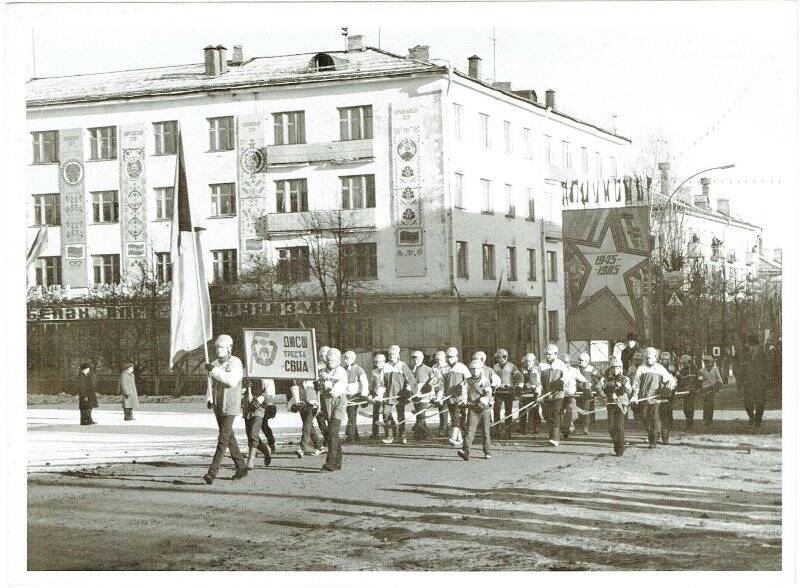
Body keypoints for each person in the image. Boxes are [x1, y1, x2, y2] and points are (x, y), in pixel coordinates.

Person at [203, 334, 248, 485]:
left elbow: (232, 380)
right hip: (218, 404)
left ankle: (212, 472)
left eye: (221, 347)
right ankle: (241, 466)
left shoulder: (235, 362)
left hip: (230, 405)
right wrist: (209, 398)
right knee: (229, 437)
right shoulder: (214, 363)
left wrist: (214, 370)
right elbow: (210, 384)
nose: (218, 350)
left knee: (222, 439)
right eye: (216, 347)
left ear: (229, 347)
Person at [630, 347, 676, 449]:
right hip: (644, 399)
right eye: (647, 357)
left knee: (655, 419)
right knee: (645, 419)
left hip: (656, 399)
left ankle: (653, 440)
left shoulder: (659, 368)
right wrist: (634, 396)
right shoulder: (641, 368)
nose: (648, 359)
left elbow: (671, 380)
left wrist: (668, 387)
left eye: (651, 357)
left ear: (655, 357)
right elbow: (636, 385)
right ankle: (654, 434)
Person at [317, 348, 348, 471]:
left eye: (333, 360)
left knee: (333, 432)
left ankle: (330, 462)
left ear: (338, 360)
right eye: (329, 360)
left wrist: (324, 386)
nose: (331, 362)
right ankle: (338, 462)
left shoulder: (341, 372)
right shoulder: (322, 372)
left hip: (338, 401)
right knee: (332, 434)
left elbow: (337, 390)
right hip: (326, 402)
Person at [457, 359, 494, 461]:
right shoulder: (467, 381)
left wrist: (483, 401)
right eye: (472, 369)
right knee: (470, 431)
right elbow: (463, 393)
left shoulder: (485, 380)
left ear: (481, 369)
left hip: (484, 409)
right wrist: (462, 401)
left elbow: (488, 393)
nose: (475, 371)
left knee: (486, 432)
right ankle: (465, 451)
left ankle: (487, 451)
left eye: (477, 369)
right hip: (473, 409)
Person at [381, 345, 416, 444]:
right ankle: (389, 435)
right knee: (385, 413)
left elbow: (410, 379)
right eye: (390, 354)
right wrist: (380, 394)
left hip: (400, 395)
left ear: (398, 355)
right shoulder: (385, 366)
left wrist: (407, 390)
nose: (391, 356)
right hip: (388, 395)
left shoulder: (402, 365)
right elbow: (380, 382)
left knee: (401, 416)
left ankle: (402, 435)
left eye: (393, 354)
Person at [439, 347, 471, 446]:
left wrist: (463, 392)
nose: (449, 359)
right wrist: (440, 395)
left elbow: (468, 382)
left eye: (451, 357)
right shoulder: (444, 368)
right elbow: (441, 383)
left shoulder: (462, 367)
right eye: (448, 357)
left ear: (456, 357)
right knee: (454, 417)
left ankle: (453, 437)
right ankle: (459, 438)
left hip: (460, 397)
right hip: (449, 398)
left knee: (457, 416)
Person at [600, 357, 631, 456]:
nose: (615, 370)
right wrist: (607, 394)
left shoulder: (625, 378)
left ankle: (620, 448)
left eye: (617, 368)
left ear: (621, 368)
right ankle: (617, 443)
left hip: (621, 404)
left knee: (620, 427)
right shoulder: (605, 379)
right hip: (611, 404)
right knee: (610, 428)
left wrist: (623, 387)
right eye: (613, 368)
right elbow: (600, 388)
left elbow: (629, 390)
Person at [539, 344, 568, 447]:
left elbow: (566, 377)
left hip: (558, 393)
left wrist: (561, 381)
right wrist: (537, 393)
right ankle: (554, 433)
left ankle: (554, 438)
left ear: (556, 354)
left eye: (550, 355)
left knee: (555, 413)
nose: (548, 356)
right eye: (546, 354)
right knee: (547, 414)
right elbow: (539, 381)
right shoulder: (541, 365)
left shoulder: (561, 364)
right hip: (546, 394)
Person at [289, 377, 324, 459]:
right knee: (309, 427)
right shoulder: (298, 380)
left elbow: (321, 391)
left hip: (312, 405)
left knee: (306, 427)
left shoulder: (314, 378)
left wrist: (320, 389)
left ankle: (301, 448)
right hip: (303, 405)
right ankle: (319, 446)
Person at [242, 377, 272, 469]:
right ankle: (266, 450)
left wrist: (259, 400)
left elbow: (270, 393)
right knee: (250, 434)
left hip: (260, 407)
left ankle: (250, 460)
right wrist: (243, 387)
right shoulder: (245, 371)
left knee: (253, 433)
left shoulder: (264, 374)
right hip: (247, 405)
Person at [741, 334, 769, 430]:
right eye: (749, 345)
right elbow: (741, 368)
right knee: (747, 402)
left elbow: (767, 368)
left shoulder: (763, 354)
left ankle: (758, 420)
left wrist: (766, 379)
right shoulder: (745, 355)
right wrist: (740, 380)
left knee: (760, 402)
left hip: (760, 382)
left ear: (755, 345)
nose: (749, 347)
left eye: (750, 345)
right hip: (748, 382)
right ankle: (751, 417)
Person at [559, 352, 588, 441]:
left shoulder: (574, 371)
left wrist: (587, 388)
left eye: (567, 362)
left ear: (570, 362)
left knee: (569, 412)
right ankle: (562, 430)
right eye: (564, 362)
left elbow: (584, 380)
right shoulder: (558, 370)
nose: (565, 364)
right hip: (559, 395)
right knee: (559, 413)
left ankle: (568, 429)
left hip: (570, 395)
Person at [492, 349, 519, 438]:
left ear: (507, 357)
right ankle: (497, 431)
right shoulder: (495, 367)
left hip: (508, 392)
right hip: (498, 392)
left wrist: (519, 386)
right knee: (496, 410)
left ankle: (508, 432)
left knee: (508, 411)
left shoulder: (512, 366)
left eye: (504, 357)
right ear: (497, 358)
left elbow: (519, 376)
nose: (501, 359)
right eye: (499, 358)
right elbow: (491, 377)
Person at [343, 351, 369, 442]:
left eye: (348, 358)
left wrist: (364, 395)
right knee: (351, 415)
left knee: (351, 414)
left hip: (355, 395)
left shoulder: (359, 369)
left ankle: (351, 436)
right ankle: (355, 434)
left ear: (353, 359)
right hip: (346, 395)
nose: (346, 360)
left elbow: (365, 383)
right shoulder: (343, 369)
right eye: (345, 358)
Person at [410, 350, 437, 440]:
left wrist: (429, 386)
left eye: (417, 358)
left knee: (420, 414)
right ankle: (424, 433)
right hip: (415, 395)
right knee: (419, 415)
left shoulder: (427, 369)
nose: (415, 360)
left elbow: (434, 379)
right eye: (413, 359)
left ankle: (418, 434)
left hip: (424, 395)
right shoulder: (411, 369)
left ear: (422, 359)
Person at [514, 353, 542, 435]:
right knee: (522, 411)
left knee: (534, 411)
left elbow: (537, 383)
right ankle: (522, 428)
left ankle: (535, 427)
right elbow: (519, 380)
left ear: (533, 361)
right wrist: (519, 388)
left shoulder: (537, 370)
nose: (528, 363)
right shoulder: (522, 370)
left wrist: (537, 392)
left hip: (534, 393)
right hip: (524, 393)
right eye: (526, 361)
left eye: (530, 361)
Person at [575, 352, 602, 436]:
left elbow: (599, 378)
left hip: (587, 391)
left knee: (585, 409)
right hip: (577, 391)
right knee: (579, 409)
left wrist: (594, 386)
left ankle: (585, 428)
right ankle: (582, 424)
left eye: (581, 360)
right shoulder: (576, 369)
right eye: (579, 360)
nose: (580, 362)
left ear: (587, 361)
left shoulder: (592, 369)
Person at [657, 352, 678, 444]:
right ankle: (659, 436)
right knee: (658, 416)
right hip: (658, 393)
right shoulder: (656, 367)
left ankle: (665, 436)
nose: (664, 361)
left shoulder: (671, 368)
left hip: (668, 393)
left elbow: (675, 380)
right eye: (663, 359)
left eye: (666, 359)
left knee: (667, 415)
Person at [677, 353, 700, 431]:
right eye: (682, 363)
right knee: (685, 408)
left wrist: (697, 388)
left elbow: (699, 379)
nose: (683, 365)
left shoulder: (695, 370)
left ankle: (689, 423)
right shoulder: (682, 371)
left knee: (690, 407)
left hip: (692, 391)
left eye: (685, 363)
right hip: (685, 392)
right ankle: (688, 421)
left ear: (689, 362)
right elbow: (679, 382)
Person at [698, 355, 722, 429]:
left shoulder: (715, 370)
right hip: (704, 389)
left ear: (711, 362)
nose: (706, 364)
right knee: (705, 404)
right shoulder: (701, 371)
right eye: (705, 362)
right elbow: (699, 381)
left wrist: (717, 386)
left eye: (708, 362)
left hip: (712, 389)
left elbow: (719, 380)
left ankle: (709, 419)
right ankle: (705, 419)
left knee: (710, 403)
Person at [431, 351, 451, 437]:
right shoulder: (434, 367)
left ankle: (443, 428)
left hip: (446, 390)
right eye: (437, 360)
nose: (439, 361)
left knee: (444, 409)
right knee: (440, 410)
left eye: (440, 359)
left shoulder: (448, 368)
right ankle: (444, 428)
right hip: (437, 390)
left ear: (444, 359)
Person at [314, 345, 331, 444]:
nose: (323, 356)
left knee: (330, 415)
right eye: (322, 354)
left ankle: (331, 436)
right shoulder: (317, 366)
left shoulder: (334, 366)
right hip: (319, 393)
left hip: (329, 394)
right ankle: (326, 436)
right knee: (319, 415)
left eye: (325, 354)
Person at [259, 378, 277, 455]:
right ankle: (271, 444)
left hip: (266, 404)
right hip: (264, 404)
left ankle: (270, 444)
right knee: (264, 426)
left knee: (263, 425)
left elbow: (270, 394)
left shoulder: (267, 378)